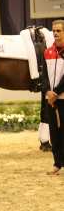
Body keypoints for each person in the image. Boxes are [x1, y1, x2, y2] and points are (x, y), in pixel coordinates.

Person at [42, 19, 64, 176]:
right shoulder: (48, 52)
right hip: (50, 100)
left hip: (62, 98)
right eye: (54, 31)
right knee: (54, 133)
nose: (55, 33)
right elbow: (43, 76)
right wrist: (48, 92)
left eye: (59, 30)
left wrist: (56, 92)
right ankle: (57, 163)